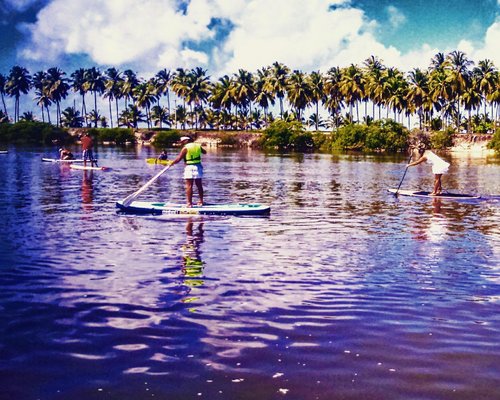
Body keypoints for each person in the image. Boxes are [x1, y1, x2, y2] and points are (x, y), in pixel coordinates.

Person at [171, 136, 206, 207]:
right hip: (198, 167)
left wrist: (172, 163)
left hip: (189, 167)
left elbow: (179, 159)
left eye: (182, 141)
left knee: (189, 185)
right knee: (199, 185)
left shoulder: (185, 148)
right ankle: (201, 201)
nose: (182, 143)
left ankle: (189, 204)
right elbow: (204, 152)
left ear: (186, 141)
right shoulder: (198, 146)